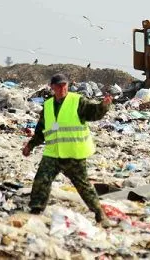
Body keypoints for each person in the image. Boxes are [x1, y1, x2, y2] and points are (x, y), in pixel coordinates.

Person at [22, 73, 113, 227]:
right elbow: (41, 130)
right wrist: (30, 146)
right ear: (52, 87)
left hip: (73, 153)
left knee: (83, 185)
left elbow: (93, 113)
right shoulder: (48, 105)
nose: (62, 88)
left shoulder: (77, 101)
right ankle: (36, 210)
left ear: (68, 86)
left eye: (64, 85)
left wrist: (103, 106)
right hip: (53, 153)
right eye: (58, 85)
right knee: (41, 180)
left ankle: (100, 214)